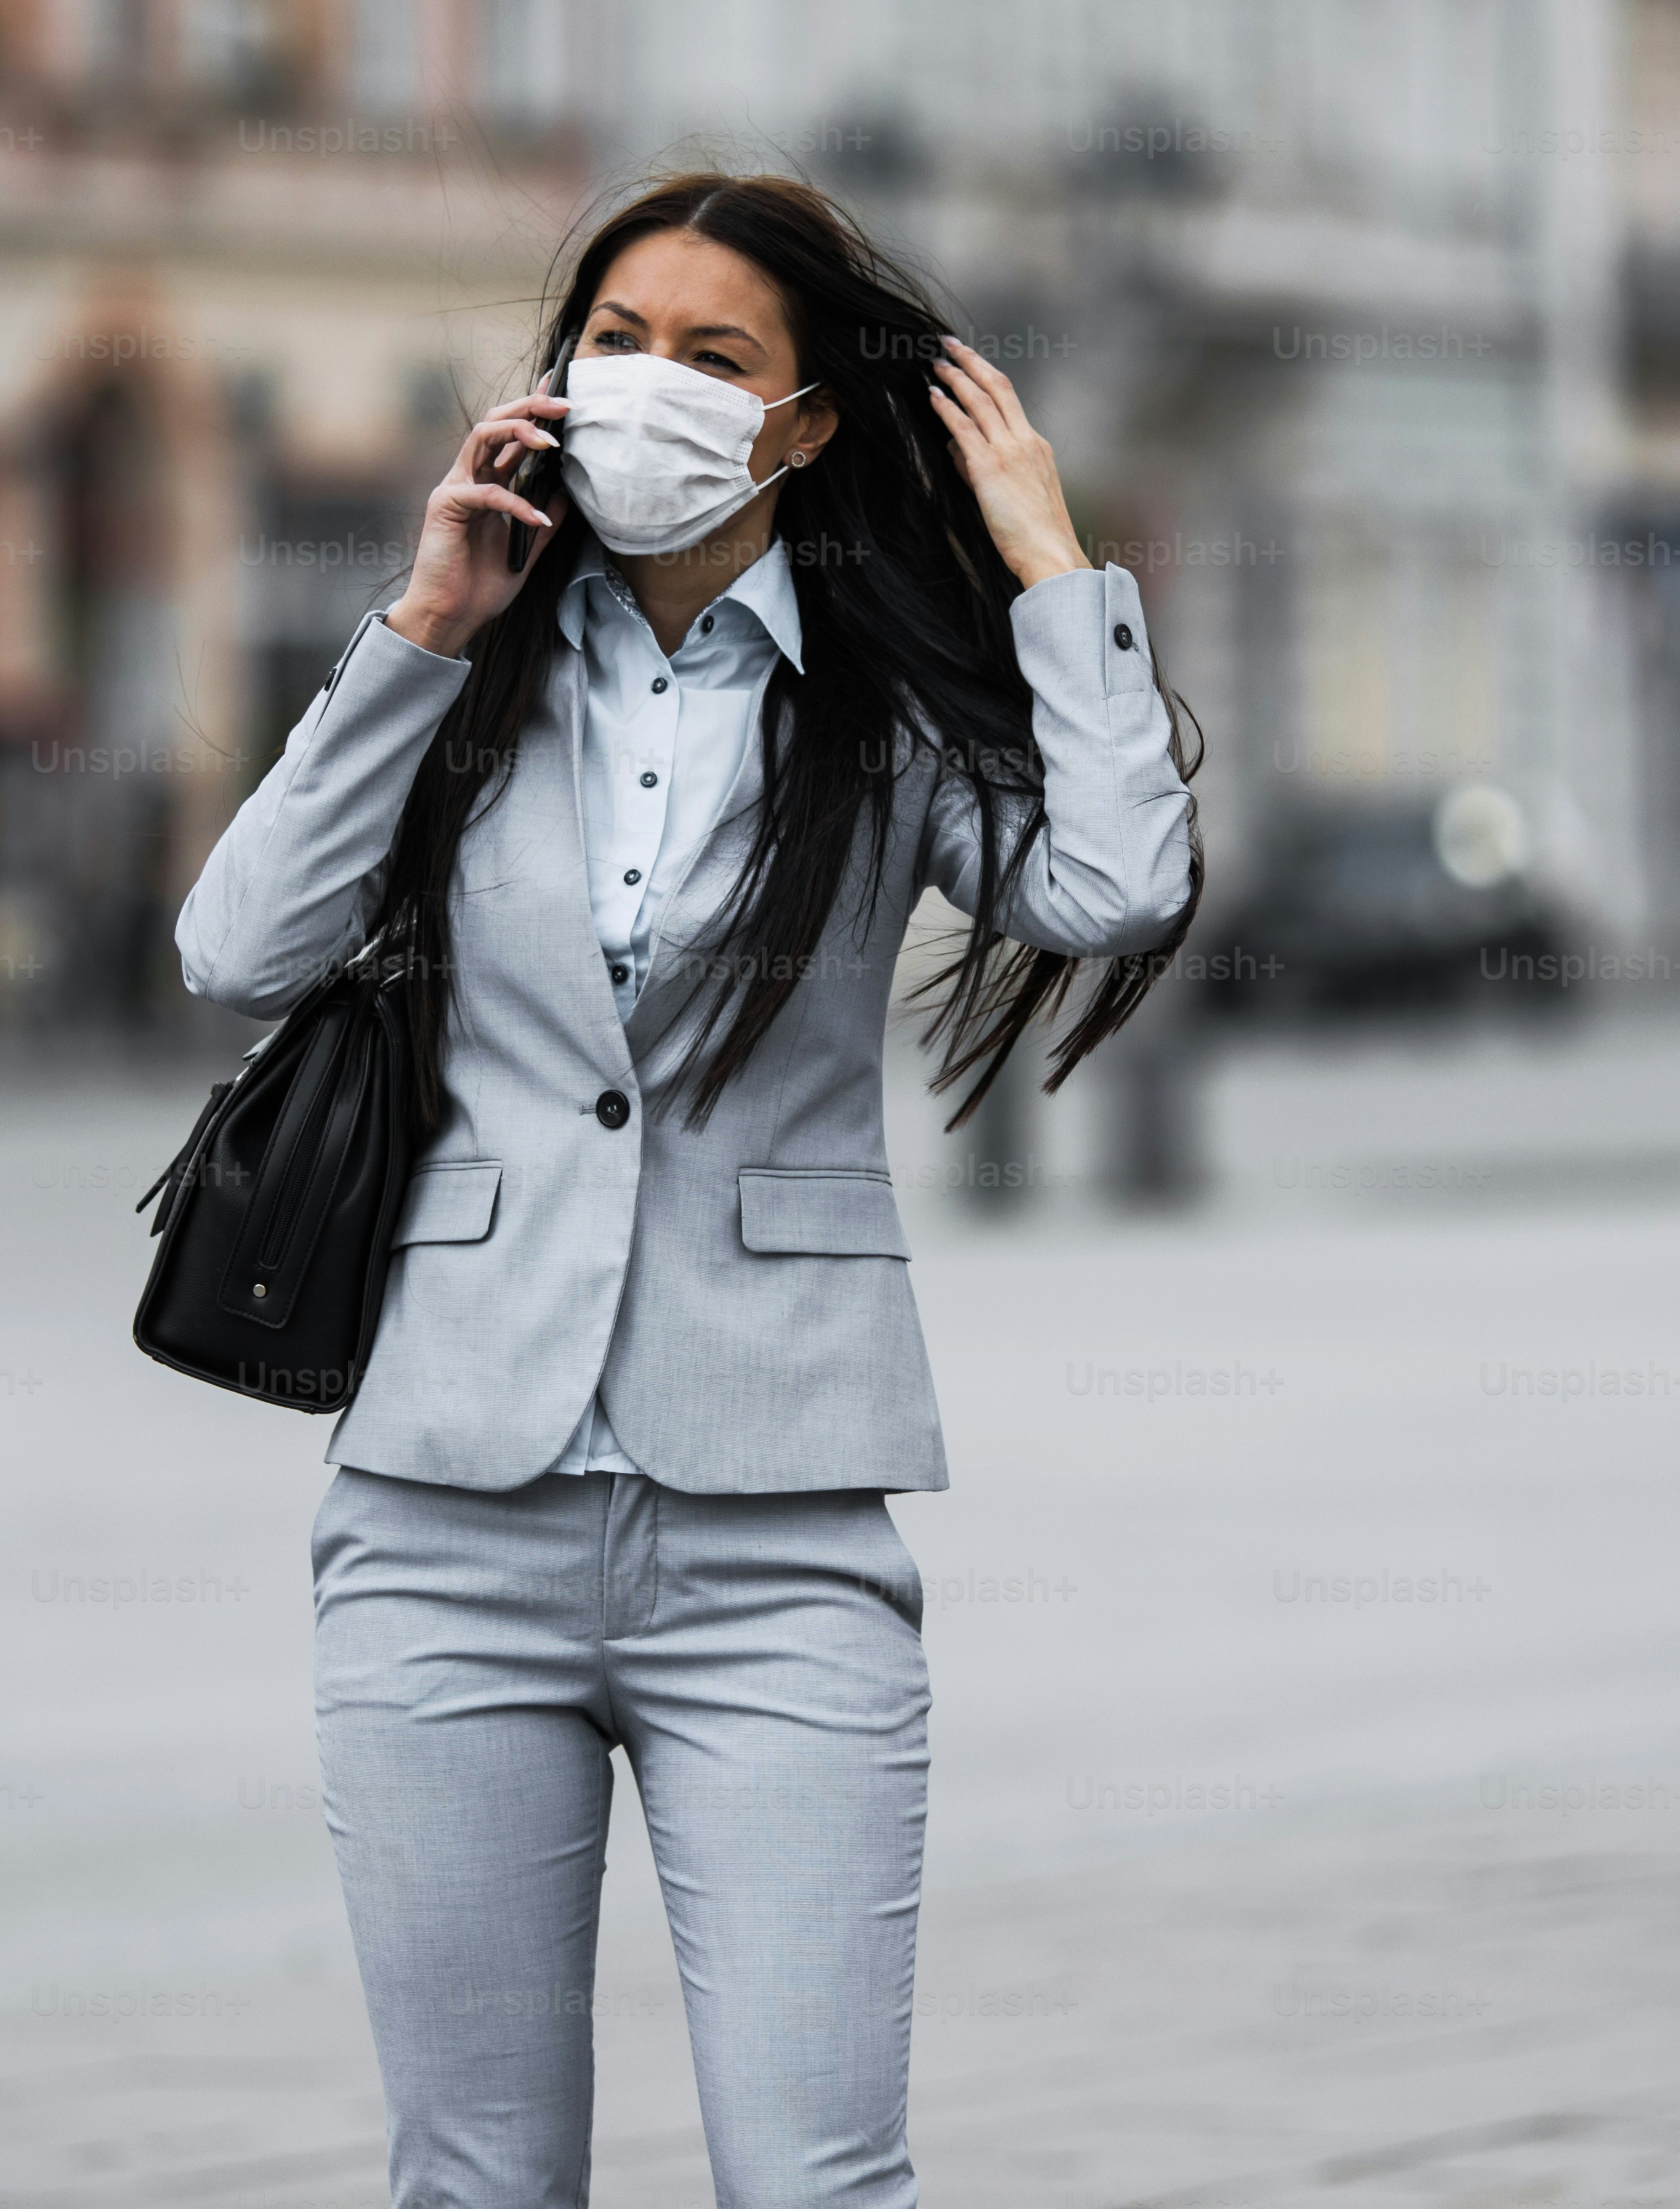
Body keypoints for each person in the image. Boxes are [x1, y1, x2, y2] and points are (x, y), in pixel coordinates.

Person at [176, 170, 1201, 2204]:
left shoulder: (881, 703)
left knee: (817, 2177)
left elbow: (1116, 884)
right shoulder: (465, 668)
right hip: (446, 1520)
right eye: (617, 341)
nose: (646, 384)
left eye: (714, 358)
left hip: (779, 1530)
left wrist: (1048, 565)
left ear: (802, 423)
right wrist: (424, 623)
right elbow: (238, 947)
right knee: (474, 2178)